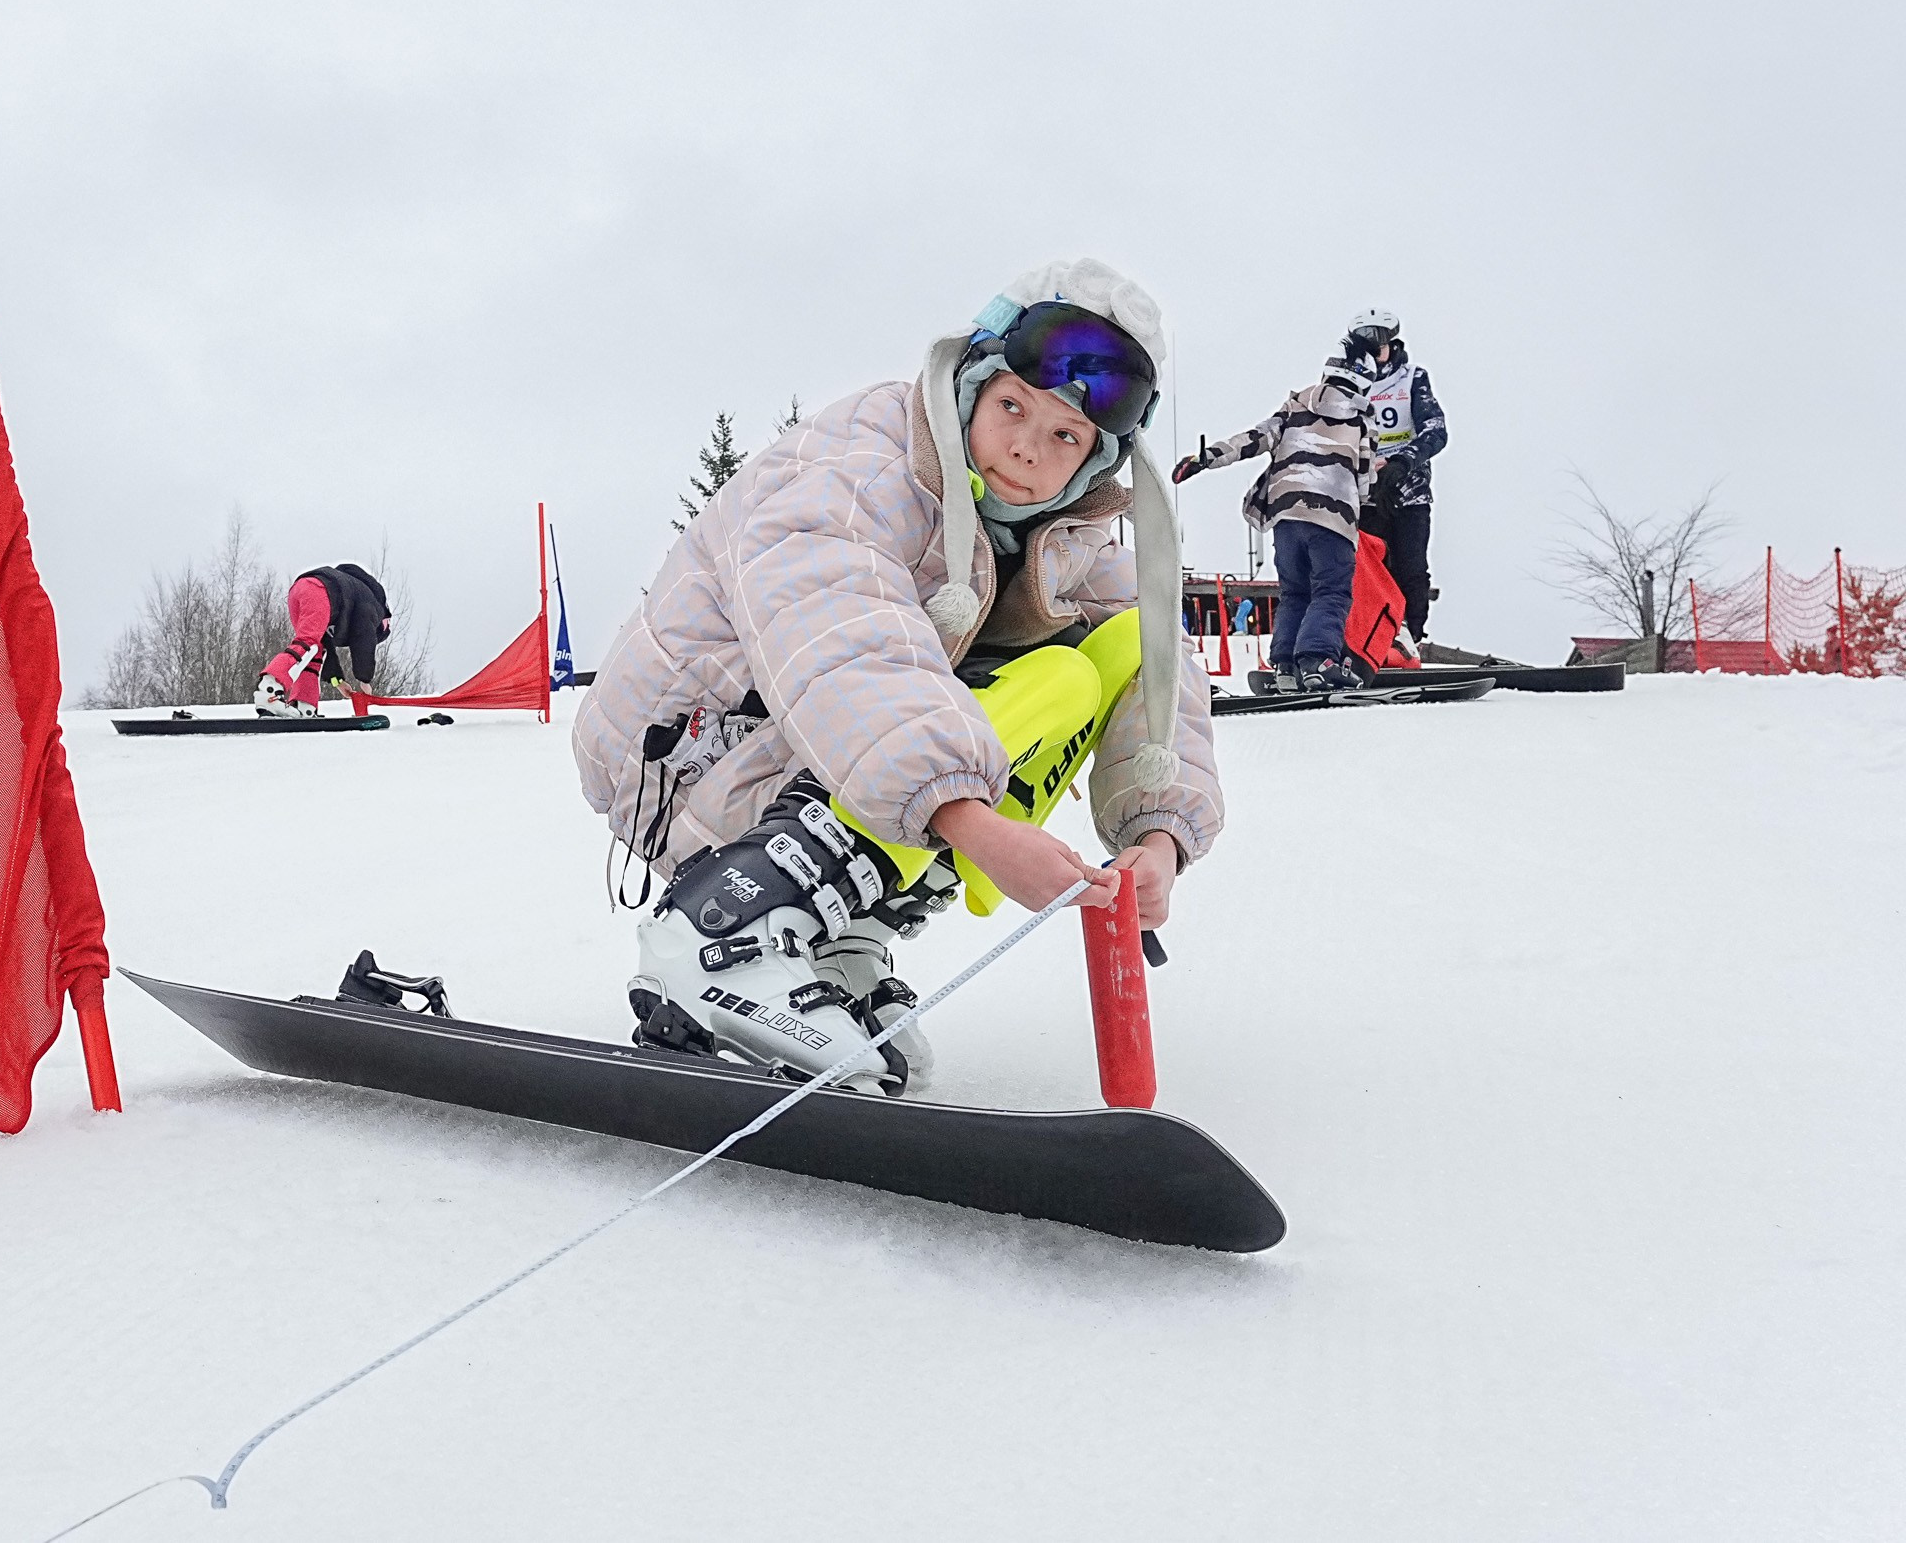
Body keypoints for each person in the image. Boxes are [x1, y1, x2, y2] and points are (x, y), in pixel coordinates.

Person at [574, 259, 1223, 1097]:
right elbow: (847, 643)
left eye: (1066, 436)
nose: (1028, 445)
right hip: (689, 749)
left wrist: (1158, 837)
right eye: (1013, 408)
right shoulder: (859, 465)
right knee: (955, 710)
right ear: (972, 387)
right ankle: (719, 933)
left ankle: (833, 939)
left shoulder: (1064, 541)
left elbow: (1161, 663)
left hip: (814, 755)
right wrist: (975, 825)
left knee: (1100, 655)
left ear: (1096, 463)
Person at [1172, 354, 1377, 693]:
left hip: (1286, 515)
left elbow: (1254, 439)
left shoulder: (1294, 407)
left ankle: (1285, 665)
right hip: (1333, 517)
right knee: (1331, 590)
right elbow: (1365, 480)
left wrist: (1205, 458)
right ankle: (1318, 661)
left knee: (1294, 592)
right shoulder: (1360, 421)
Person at [1342, 308, 1448, 657]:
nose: (1374, 354)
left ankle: (1410, 640)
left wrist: (1403, 462)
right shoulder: (1347, 384)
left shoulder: (1413, 378)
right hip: (1365, 493)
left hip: (1408, 489)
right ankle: (1375, 639)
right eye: (1365, 347)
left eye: (1379, 346)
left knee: (1411, 567)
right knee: (1371, 569)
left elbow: (1436, 430)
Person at [255, 563, 391, 716]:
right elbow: (364, 641)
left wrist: (338, 682)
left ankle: (304, 705)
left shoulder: (352, 593)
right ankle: (269, 688)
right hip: (319, 590)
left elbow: (326, 645)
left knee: (313, 650)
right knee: (308, 643)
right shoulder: (373, 608)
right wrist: (364, 679)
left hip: (299, 589)